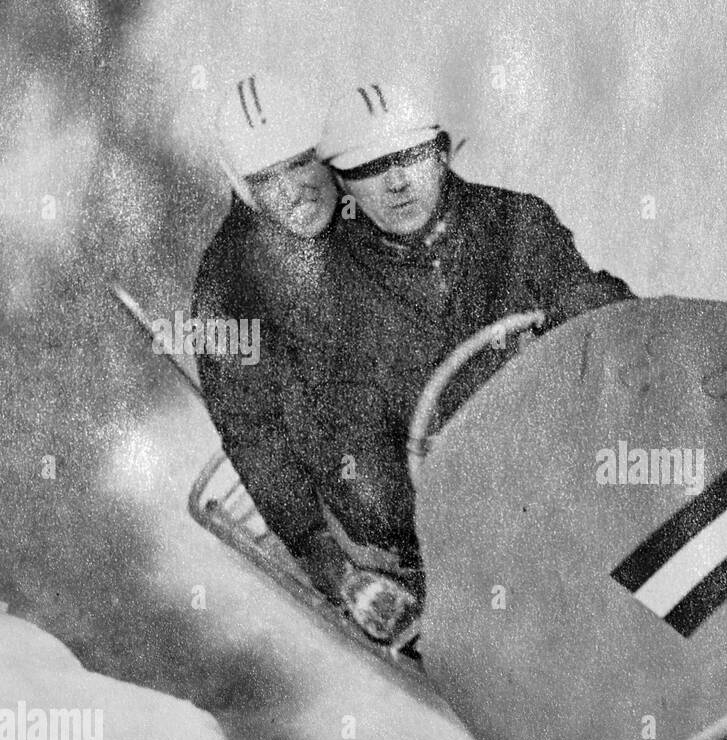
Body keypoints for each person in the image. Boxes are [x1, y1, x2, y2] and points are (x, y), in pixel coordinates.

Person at [303, 80, 636, 573]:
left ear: (441, 154)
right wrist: (439, 515)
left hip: (586, 465)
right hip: (474, 538)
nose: (396, 182)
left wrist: (592, 320)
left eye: (411, 155)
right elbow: (359, 468)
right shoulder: (329, 301)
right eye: (369, 168)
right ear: (341, 184)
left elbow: (606, 318)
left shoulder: (516, 222)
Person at [194, 72, 411, 640]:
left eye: (300, 162)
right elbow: (254, 435)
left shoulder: (381, 193)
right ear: (241, 188)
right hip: (379, 502)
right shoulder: (228, 289)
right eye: (266, 178)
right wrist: (333, 568)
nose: (294, 191)